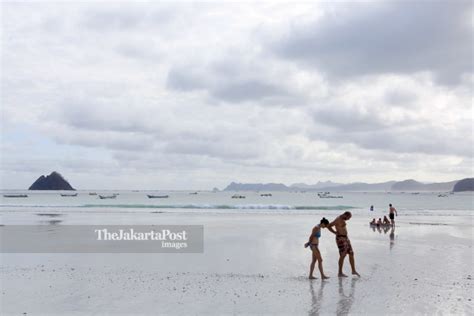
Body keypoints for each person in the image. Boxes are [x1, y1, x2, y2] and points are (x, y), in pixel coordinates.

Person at [327, 211, 360, 277]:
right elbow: (329, 226)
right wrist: (334, 232)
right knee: (343, 255)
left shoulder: (342, 219)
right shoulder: (338, 219)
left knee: (351, 253)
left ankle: (353, 270)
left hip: (346, 238)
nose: (348, 219)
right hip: (341, 239)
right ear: (345, 215)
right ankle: (340, 273)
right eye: (348, 218)